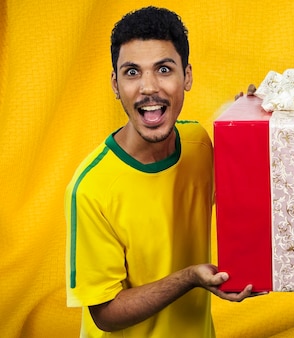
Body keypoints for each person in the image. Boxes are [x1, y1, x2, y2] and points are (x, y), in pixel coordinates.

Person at [65, 6, 259, 337]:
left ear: (187, 76)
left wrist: (245, 131)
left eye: (164, 69)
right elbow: (105, 314)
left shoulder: (199, 143)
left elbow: (237, 206)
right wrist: (189, 278)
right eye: (131, 73)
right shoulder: (90, 189)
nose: (148, 87)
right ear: (115, 84)